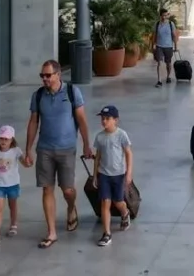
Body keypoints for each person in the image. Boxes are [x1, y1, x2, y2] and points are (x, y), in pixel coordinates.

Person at [23, 60, 93, 249]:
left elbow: (82, 120)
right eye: (42, 75)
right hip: (44, 149)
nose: (44, 78)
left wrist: (87, 144)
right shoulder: (38, 96)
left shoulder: (72, 92)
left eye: (48, 75)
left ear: (58, 74)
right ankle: (51, 232)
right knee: (47, 189)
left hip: (67, 149)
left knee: (67, 189)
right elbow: (33, 123)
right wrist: (28, 149)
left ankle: (71, 207)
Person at [92, 105, 133, 246]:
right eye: (103, 119)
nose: (104, 121)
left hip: (119, 175)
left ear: (116, 120)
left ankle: (125, 213)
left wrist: (129, 173)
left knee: (118, 201)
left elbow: (128, 153)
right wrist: (95, 175)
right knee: (105, 202)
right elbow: (98, 157)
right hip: (104, 174)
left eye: (107, 118)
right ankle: (106, 233)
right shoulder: (100, 137)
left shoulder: (121, 135)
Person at [153, 9, 178, 88]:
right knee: (159, 63)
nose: (164, 17)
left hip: (168, 46)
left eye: (166, 15)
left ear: (167, 15)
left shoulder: (171, 24)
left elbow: (174, 35)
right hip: (159, 46)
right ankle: (159, 80)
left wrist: (176, 46)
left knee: (168, 63)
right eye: (163, 15)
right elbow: (154, 35)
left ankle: (168, 76)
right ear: (160, 16)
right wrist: (153, 44)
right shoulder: (157, 24)